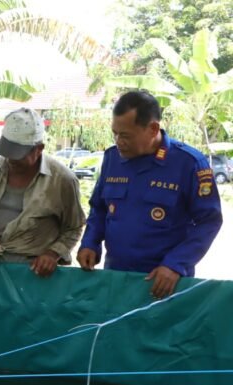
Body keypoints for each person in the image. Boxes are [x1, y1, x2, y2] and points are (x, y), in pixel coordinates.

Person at [77, 90, 223, 298]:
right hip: (115, 278)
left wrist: (176, 264)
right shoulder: (112, 159)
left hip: (164, 282)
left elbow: (209, 221)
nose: (118, 141)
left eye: (125, 135)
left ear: (153, 129)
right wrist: (90, 242)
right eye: (115, 134)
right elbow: (99, 208)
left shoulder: (188, 163)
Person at [0, 108, 86, 277]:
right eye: (8, 152)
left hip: (36, 274)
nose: (11, 159)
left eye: (18, 154)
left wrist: (53, 254)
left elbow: (74, 227)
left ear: (39, 149)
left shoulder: (62, 180)